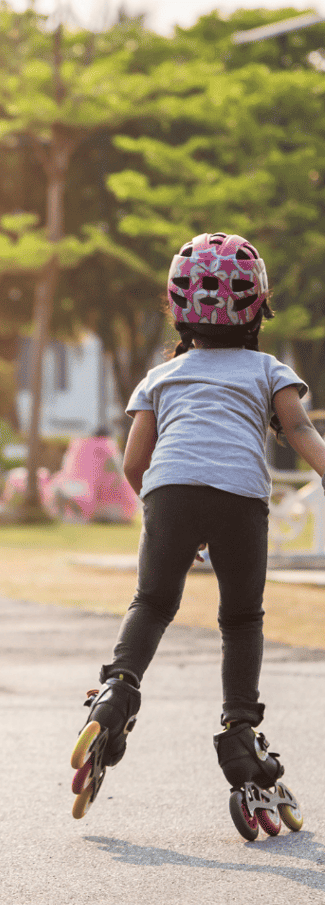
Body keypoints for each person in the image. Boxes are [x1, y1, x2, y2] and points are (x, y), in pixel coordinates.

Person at [69, 232, 325, 836]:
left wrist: (168, 517)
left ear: (176, 307)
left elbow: (135, 465)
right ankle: (240, 730)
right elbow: (301, 435)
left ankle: (115, 694)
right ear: (259, 306)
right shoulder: (270, 369)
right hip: (239, 497)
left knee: (152, 603)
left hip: (169, 491)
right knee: (241, 619)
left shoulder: (163, 376)